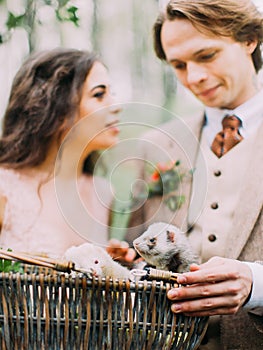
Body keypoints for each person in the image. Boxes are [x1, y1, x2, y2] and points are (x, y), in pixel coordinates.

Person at [126, 0, 263, 348]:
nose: (194, 77)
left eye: (207, 55)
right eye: (179, 65)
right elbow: (135, 245)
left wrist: (256, 284)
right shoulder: (156, 147)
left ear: (250, 38)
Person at [0, 47, 123, 257]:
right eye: (99, 94)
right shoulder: (5, 188)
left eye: (111, 93)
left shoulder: (103, 192)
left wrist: (112, 264)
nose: (116, 106)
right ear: (58, 109)